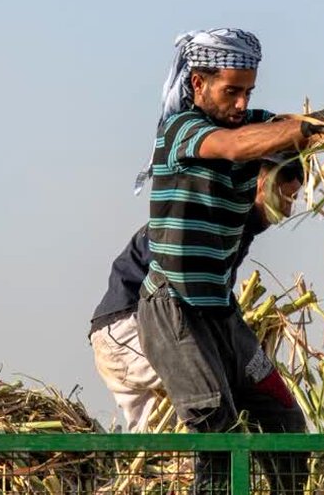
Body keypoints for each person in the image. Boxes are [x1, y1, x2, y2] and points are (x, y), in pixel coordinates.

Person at [134, 28, 324, 494]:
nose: (240, 104)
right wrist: (313, 126)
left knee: (285, 421)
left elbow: (281, 135)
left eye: (248, 92)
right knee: (217, 434)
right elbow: (238, 147)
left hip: (221, 313)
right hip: (174, 310)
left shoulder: (253, 126)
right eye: (230, 91)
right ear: (197, 84)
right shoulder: (182, 131)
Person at [89, 155, 304, 432]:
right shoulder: (212, 211)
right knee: (209, 401)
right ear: (261, 181)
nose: (288, 211)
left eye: (294, 199)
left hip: (172, 326)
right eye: (285, 197)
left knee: (166, 445)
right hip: (128, 327)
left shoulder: (240, 228)